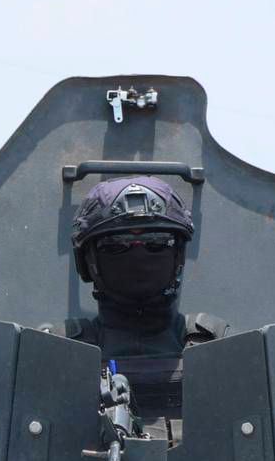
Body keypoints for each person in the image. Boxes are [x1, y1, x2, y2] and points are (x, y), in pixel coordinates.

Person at [56, 176, 228, 441]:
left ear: (179, 256)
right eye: (116, 246)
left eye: (157, 244)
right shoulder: (58, 351)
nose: (138, 257)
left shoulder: (219, 346)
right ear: (88, 262)